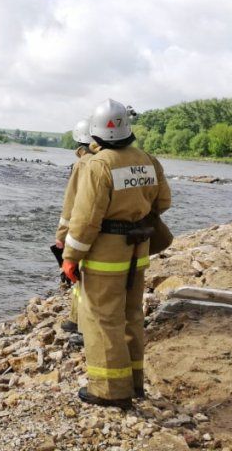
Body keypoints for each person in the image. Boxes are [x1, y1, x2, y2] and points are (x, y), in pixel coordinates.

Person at [61, 98, 171, 409]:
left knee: (102, 319)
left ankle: (111, 391)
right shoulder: (149, 160)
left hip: (105, 256)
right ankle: (134, 383)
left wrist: (70, 258)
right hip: (139, 251)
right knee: (132, 315)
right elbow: (163, 203)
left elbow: (85, 220)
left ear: (95, 134)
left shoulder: (98, 165)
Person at [55, 118, 94, 334]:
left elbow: (71, 205)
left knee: (81, 277)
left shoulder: (82, 163)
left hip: (84, 232)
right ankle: (76, 319)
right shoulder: (111, 160)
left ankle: (79, 323)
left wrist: (61, 236)